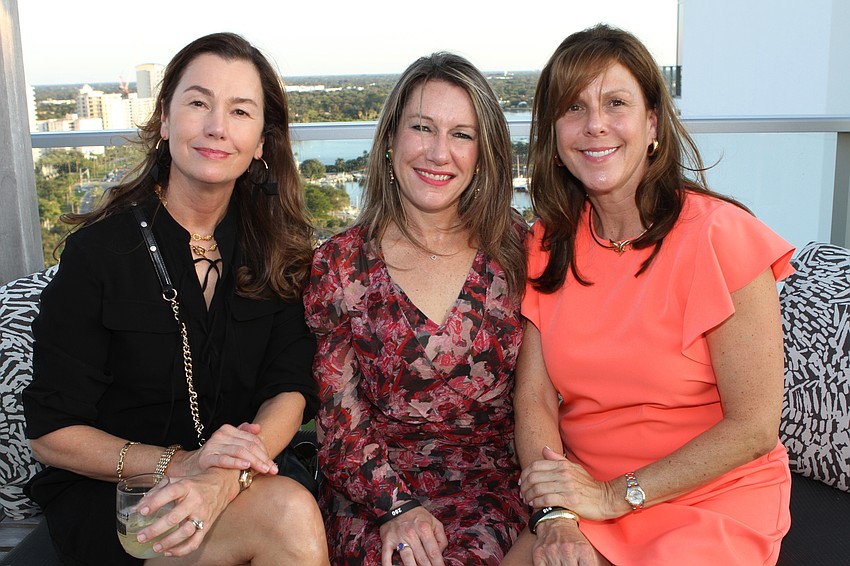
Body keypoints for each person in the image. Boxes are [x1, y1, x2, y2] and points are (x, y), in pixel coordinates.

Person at [23, 32, 329, 565]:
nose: (216, 127)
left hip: (248, 477)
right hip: (122, 492)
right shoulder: (98, 255)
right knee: (287, 515)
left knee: (286, 507)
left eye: (240, 111)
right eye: (198, 103)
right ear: (165, 121)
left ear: (261, 141)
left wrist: (223, 478)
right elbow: (52, 433)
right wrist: (181, 466)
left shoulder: (280, 251)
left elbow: (290, 391)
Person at [502, 24, 793, 566]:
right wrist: (558, 516)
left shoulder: (721, 237)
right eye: (572, 108)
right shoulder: (548, 242)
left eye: (616, 103)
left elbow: (753, 427)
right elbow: (535, 398)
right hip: (588, 498)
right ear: (554, 133)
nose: (594, 126)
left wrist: (615, 496)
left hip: (712, 498)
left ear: (652, 122)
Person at [303, 52, 528, 565]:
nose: (439, 152)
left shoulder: (519, 251)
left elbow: (546, 396)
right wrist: (396, 507)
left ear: (484, 152)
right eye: (422, 128)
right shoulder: (339, 265)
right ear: (389, 141)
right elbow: (340, 424)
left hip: (495, 491)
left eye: (462, 135)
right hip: (376, 495)